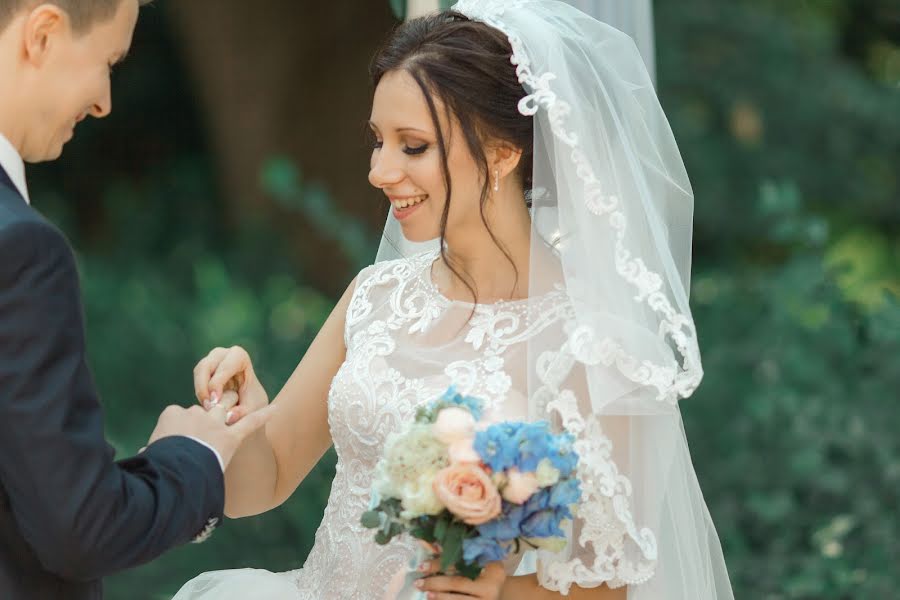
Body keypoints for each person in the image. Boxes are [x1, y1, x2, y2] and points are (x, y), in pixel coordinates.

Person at [175, 1, 735, 598]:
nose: (380, 171)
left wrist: (497, 590)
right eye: (378, 142)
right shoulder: (375, 297)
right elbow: (268, 480)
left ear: (502, 152)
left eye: (412, 146)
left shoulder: (593, 345)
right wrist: (238, 424)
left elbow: (610, 586)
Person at [0, 1, 276, 598]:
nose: (104, 100)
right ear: (43, 35)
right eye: (107, 61)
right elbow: (77, 530)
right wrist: (191, 452)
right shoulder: (21, 247)